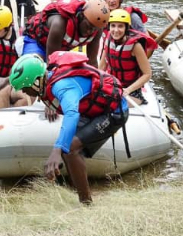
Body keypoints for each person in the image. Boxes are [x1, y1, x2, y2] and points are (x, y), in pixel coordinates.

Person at [9, 52, 128, 204]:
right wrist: (60, 148)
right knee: (67, 147)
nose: (24, 92)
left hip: (114, 112)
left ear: (37, 81)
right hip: (93, 111)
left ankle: (86, 203)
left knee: (69, 148)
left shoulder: (62, 86)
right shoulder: (48, 79)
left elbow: (72, 114)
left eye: (25, 88)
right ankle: (77, 189)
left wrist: (57, 149)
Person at [22, 0, 109, 65]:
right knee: (34, 66)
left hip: (60, 49)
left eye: (94, 28)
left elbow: (92, 61)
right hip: (36, 42)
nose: (90, 31)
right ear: (81, 16)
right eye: (88, 26)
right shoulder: (60, 24)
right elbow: (52, 63)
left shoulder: (97, 30)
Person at [99, 9, 156, 105]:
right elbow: (101, 67)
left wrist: (128, 90)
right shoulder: (108, 39)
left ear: (126, 28)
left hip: (132, 91)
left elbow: (147, 74)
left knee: (112, 104)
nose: (116, 30)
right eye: (113, 26)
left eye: (120, 26)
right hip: (113, 85)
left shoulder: (135, 46)